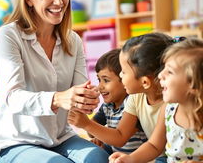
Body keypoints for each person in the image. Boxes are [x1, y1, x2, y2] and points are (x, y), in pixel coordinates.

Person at [0, 0, 110, 163]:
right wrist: (58, 98)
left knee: (99, 158)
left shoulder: (73, 40)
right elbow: (13, 97)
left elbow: (78, 93)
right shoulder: (9, 35)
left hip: (60, 137)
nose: (59, 1)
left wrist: (87, 99)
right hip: (17, 142)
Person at [68, 32, 174, 163]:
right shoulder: (135, 98)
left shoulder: (169, 103)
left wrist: (86, 124)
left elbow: (122, 137)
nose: (121, 76)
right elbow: (122, 135)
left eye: (123, 72)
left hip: (166, 156)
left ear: (145, 82)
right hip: (150, 153)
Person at [109, 37, 203, 163]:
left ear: (194, 86)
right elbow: (154, 145)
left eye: (169, 71)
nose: (160, 75)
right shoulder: (169, 109)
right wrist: (131, 158)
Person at [72, 48, 147, 154]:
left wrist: (86, 124)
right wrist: (98, 134)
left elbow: (119, 138)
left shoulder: (133, 102)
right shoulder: (108, 106)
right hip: (117, 155)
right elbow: (92, 133)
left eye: (106, 80)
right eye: (99, 80)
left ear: (124, 79)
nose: (99, 86)